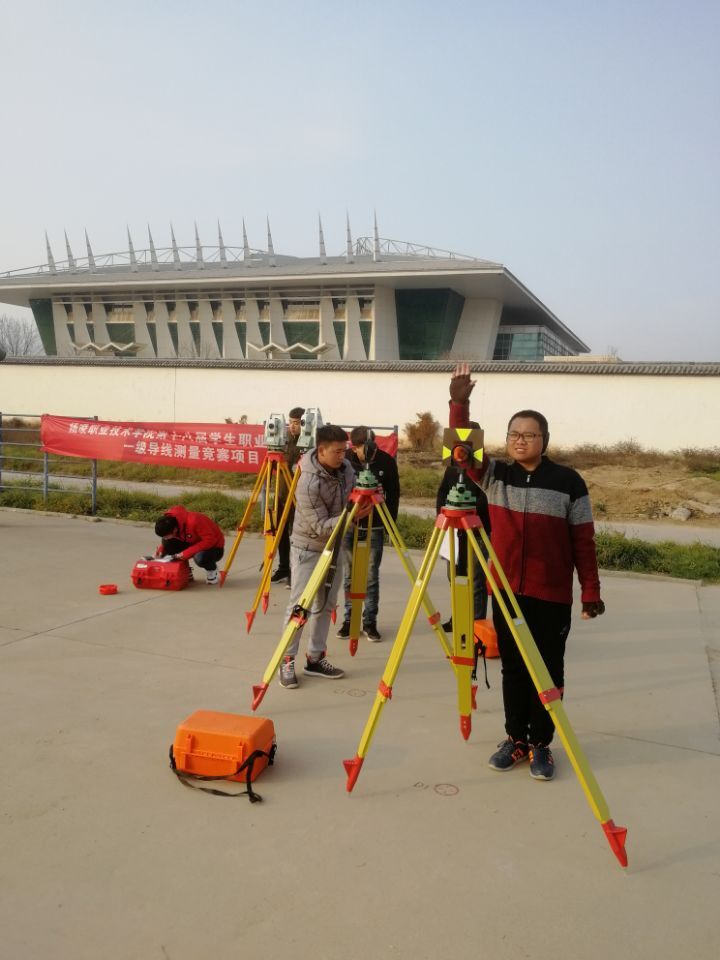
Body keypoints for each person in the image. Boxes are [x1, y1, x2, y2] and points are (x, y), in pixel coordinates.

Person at [448, 362, 605, 781]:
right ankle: (515, 739)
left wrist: (590, 591)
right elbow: (460, 449)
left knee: (548, 671)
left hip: (550, 596)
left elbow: (583, 542)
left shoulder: (569, 482)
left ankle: (541, 744)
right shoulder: (496, 475)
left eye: (529, 435)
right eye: (514, 434)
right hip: (506, 593)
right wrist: (458, 404)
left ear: (544, 440)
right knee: (514, 670)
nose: (520, 440)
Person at [279, 424, 372, 689]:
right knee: (300, 607)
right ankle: (287, 659)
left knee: (326, 604)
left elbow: (351, 501)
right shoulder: (307, 481)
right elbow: (320, 526)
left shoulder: (347, 470)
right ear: (321, 450)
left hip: (334, 546)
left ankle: (315, 657)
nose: (343, 456)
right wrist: (351, 516)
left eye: (345, 450)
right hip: (308, 548)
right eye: (337, 452)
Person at [337, 426, 400, 642]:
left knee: (371, 576)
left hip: (375, 524)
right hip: (350, 524)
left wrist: (390, 523)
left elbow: (394, 494)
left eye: (373, 445)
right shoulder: (345, 461)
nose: (371, 450)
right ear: (354, 448)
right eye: (366, 447)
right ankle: (349, 620)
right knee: (350, 575)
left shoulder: (387, 462)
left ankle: (370, 622)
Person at [435, 436, 490, 631]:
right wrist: (443, 516)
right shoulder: (452, 467)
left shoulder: (485, 470)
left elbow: (487, 498)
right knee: (455, 577)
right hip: (454, 531)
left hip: (477, 531)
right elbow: (443, 492)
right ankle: (458, 619)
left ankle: (475, 626)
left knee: (475, 580)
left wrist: (468, 511)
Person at [270, 406, 305, 587]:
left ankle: (294, 571)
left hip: (298, 496)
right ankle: (283, 567)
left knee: (294, 534)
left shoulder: (308, 443)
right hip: (282, 493)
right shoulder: (284, 440)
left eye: (297, 423)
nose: (292, 426)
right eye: (290, 422)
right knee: (280, 532)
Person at [154, 505, 225, 585]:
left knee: (200, 558)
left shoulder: (195, 521)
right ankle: (185, 571)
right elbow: (168, 542)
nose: (165, 538)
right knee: (167, 544)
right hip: (192, 542)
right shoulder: (172, 523)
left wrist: (185, 553)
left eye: (166, 536)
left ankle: (212, 569)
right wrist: (161, 551)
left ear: (174, 529)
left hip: (214, 547)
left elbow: (210, 541)